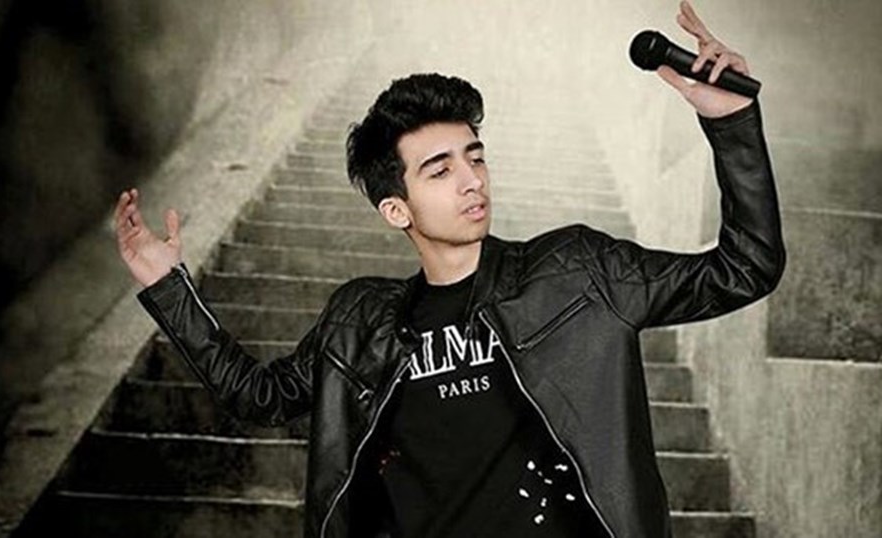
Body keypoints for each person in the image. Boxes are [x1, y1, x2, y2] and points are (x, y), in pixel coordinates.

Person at [113, 2, 784, 536]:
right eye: (440, 170)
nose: (471, 180)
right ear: (396, 209)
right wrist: (169, 289)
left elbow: (746, 267)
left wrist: (733, 124)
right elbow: (260, 397)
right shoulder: (359, 321)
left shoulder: (578, 272)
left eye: (475, 156)